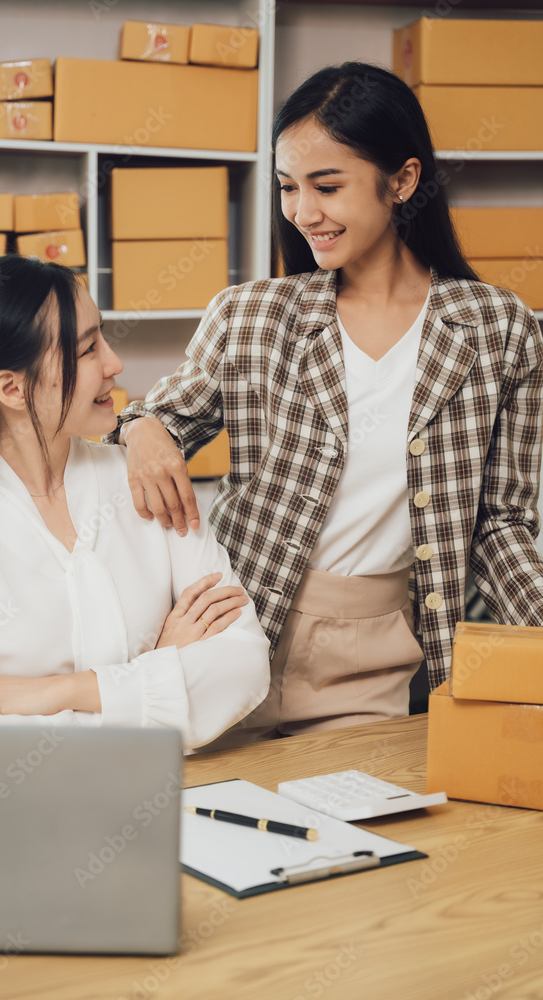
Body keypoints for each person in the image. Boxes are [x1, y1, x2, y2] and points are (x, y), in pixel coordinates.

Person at [108, 60, 543, 744]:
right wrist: (141, 429)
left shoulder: (498, 330)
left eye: (327, 186)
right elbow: (152, 424)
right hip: (229, 630)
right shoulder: (250, 315)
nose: (303, 212)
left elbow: (501, 523)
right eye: (288, 187)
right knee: (208, 810)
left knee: (359, 812)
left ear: (402, 181)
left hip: (377, 656)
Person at [0, 255, 270, 748]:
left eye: (102, 337)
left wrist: (56, 692)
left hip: (189, 787)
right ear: (12, 388)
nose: (114, 364)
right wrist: (158, 671)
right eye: (87, 350)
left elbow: (244, 665)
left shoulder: (144, 481)